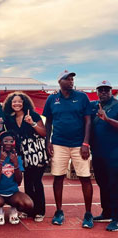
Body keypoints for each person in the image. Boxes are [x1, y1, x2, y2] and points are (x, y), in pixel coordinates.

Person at [43, 70, 93, 228]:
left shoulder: (82, 97)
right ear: (60, 82)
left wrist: (85, 143)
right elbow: (48, 122)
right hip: (58, 143)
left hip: (79, 144)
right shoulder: (52, 99)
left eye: (72, 79)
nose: (71, 81)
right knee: (57, 177)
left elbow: (88, 122)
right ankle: (59, 211)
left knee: (85, 177)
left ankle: (88, 214)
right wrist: (48, 142)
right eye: (68, 79)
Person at [3, 91, 48, 222]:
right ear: (10, 104)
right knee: (28, 181)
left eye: (19, 101)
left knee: (36, 181)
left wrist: (32, 123)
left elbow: (44, 133)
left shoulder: (32, 115)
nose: (17, 104)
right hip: (23, 153)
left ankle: (40, 211)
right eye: (14, 101)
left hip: (36, 152)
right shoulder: (9, 118)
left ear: (24, 103)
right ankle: (29, 210)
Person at [0, 131, 33, 225]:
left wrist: (16, 164)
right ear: (0, 142)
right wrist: (1, 162)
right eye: (6, 141)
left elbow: (19, 180)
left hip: (12, 193)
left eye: (11, 141)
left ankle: (13, 208)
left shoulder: (17, 158)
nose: (8, 143)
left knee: (29, 204)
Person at [90, 80, 118, 231]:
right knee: (102, 183)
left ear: (111, 91)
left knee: (115, 185)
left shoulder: (117, 105)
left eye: (106, 90)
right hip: (98, 152)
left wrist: (107, 119)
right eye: (101, 90)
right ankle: (106, 212)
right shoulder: (94, 105)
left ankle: (117, 218)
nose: (103, 92)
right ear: (97, 92)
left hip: (114, 153)